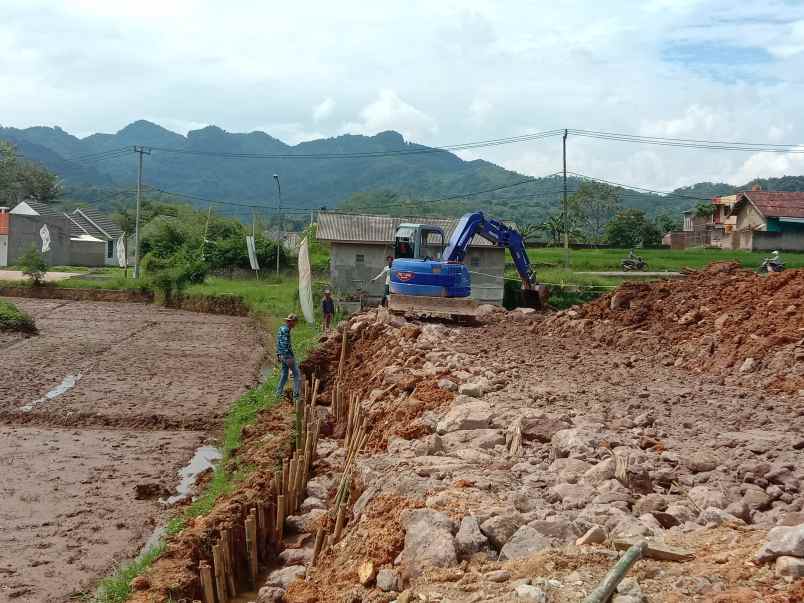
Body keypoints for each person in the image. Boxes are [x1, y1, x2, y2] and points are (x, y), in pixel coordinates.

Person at [275, 313, 300, 399]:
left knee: (284, 374)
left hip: (281, 355)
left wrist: (278, 355)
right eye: (295, 322)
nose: (295, 324)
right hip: (286, 356)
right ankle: (296, 395)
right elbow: (285, 344)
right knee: (297, 374)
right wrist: (288, 357)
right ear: (291, 322)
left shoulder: (281, 328)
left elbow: (278, 343)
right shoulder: (286, 330)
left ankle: (278, 393)